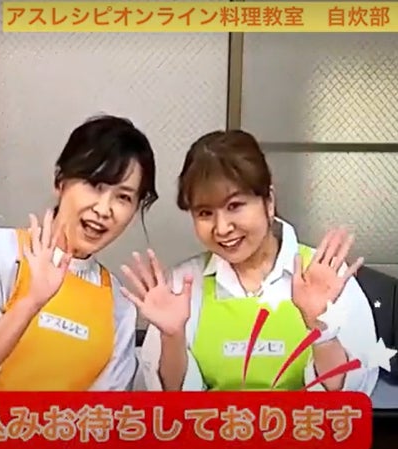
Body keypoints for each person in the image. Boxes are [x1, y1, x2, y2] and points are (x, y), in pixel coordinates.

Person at [0, 114, 158, 392]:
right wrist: (31, 302)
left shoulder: (118, 303)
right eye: (95, 185)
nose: (103, 209)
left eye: (123, 197)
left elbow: (107, 408)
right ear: (60, 181)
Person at [122, 130, 379, 393]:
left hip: (305, 422)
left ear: (269, 201)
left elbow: (349, 397)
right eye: (205, 213)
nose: (222, 228)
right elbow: (170, 401)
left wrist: (322, 330)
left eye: (234, 206)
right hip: (211, 422)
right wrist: (172, 337)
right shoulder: (183, 284)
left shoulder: (324, 275)